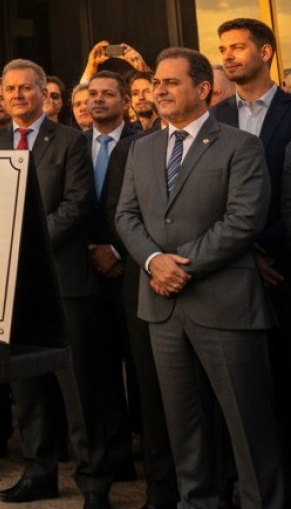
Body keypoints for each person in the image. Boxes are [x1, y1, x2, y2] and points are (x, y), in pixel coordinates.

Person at [115, 47, 284, 508]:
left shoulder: (239, 146)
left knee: (249, 431)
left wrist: (177, 265)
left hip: (225, 306)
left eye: (171, 82)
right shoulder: (141, 148)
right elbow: (126, 216)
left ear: (203, 89)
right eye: (157, 83)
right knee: (185, 430)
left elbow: (244, 219)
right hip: (163, 311)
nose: (160, 90)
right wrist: (153, 262)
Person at [0, 59, 112, 508]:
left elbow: (78, 206)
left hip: (63, 281)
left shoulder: (71, 141)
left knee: (77, 389)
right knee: (28, 387)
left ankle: (94, 483)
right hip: (11, 287)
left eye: (26, 88)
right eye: (9, 89)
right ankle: (39, 472)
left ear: (43, 92)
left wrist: (26, 246)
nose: (17, 95)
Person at [84, 71, 178, 508]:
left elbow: (132, 210)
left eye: (108, 94)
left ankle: (159, 476)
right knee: (99, 375)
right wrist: (92, 248)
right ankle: (115, 460)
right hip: (85, 275)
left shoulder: (141, 143)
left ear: (125, 101)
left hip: (136, 272)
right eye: (92, 94)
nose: (98, 101)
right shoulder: (72, 143)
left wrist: (119, 253)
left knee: (145, 378)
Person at [212, 16, 291, 473]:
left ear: (265, 52)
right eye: (223, 49)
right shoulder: (214, 119)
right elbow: (203, 198)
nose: (227, 56)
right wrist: (242, 253)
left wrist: (263, 250)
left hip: (283, 272)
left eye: (238, 47)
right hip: (227, 278)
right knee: (238, 398)